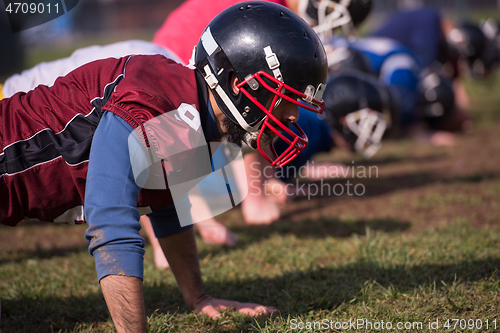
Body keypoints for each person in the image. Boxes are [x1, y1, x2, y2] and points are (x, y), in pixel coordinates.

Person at [0, 2, 328, 332]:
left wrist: (198, 297)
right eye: (285, 96)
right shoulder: (158, 103)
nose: (292, 117)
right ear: (236, 83)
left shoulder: (194, 111)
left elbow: (166, 205)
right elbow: (110, 222)